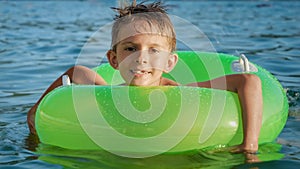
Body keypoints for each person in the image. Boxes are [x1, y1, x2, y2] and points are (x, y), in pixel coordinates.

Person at [27, 0, 262, 154]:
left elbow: (249, 80)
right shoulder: (108, 93)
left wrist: (249, 144)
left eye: (154, 50)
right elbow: (75, 72)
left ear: (170, 62)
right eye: (130, 48)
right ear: (114, 60)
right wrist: (35, 111)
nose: (141, 59)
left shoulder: (181, 93)